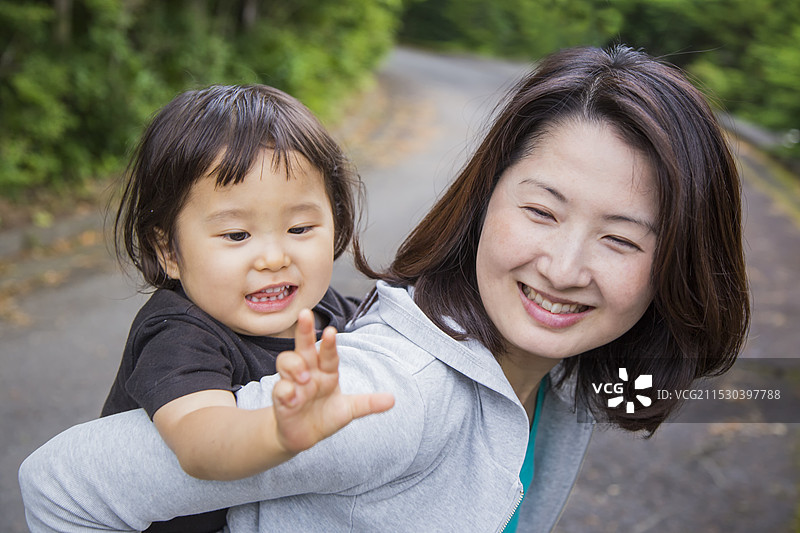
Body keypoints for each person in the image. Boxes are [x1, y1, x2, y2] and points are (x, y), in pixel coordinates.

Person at [19, 45, 750, 532]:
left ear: (677, 264)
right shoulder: (394, 401)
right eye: (540, 210)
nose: (563, 267)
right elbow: (59, 483)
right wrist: (274, 430)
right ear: (485, 200)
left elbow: (695, 388)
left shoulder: (564, 375)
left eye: (621, 238)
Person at [90, 84, 394, 532]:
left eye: (300, 227)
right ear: (168, 249)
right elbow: (201, 439)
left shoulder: (326, 310)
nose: (274, 257)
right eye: (237, 235)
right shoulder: (179, 333)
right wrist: (276, 431)